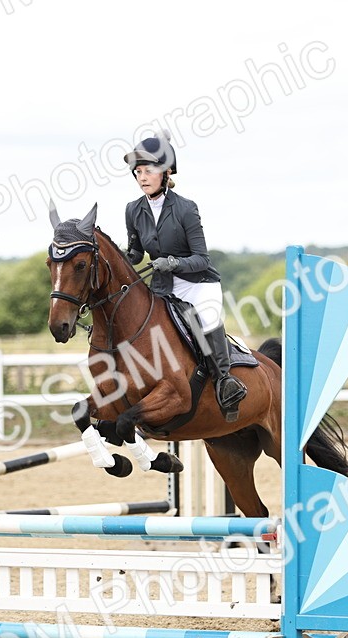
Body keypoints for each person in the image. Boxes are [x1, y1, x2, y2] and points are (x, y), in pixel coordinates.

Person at [122, 134, 248, 422]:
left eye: (149, 170)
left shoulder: (185, 208)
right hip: (162, 287)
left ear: (166, 173)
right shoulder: (133, 209)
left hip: (197, 284)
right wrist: (118, 260)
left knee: (207, 319)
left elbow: (202, 258)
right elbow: (135, 253)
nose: (142, 177)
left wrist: (172, 263)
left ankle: (225, 381)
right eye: (138, 172)